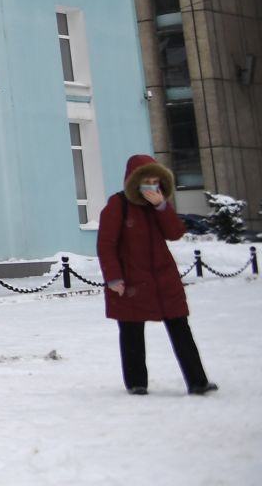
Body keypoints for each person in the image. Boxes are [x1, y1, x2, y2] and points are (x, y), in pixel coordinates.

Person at [98, 153, 217, 395]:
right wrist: (114, 277)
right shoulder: (118, 205)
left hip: (163, 280)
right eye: (146, 181)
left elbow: (174, 233)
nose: (151, 186)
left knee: (180, 328)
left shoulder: (159, 206)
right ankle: (136, 383)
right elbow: (106, 244)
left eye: (155, 181)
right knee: (131, 331)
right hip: (131, 280)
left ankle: (198, 381)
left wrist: (162, 207)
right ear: (134, 181)